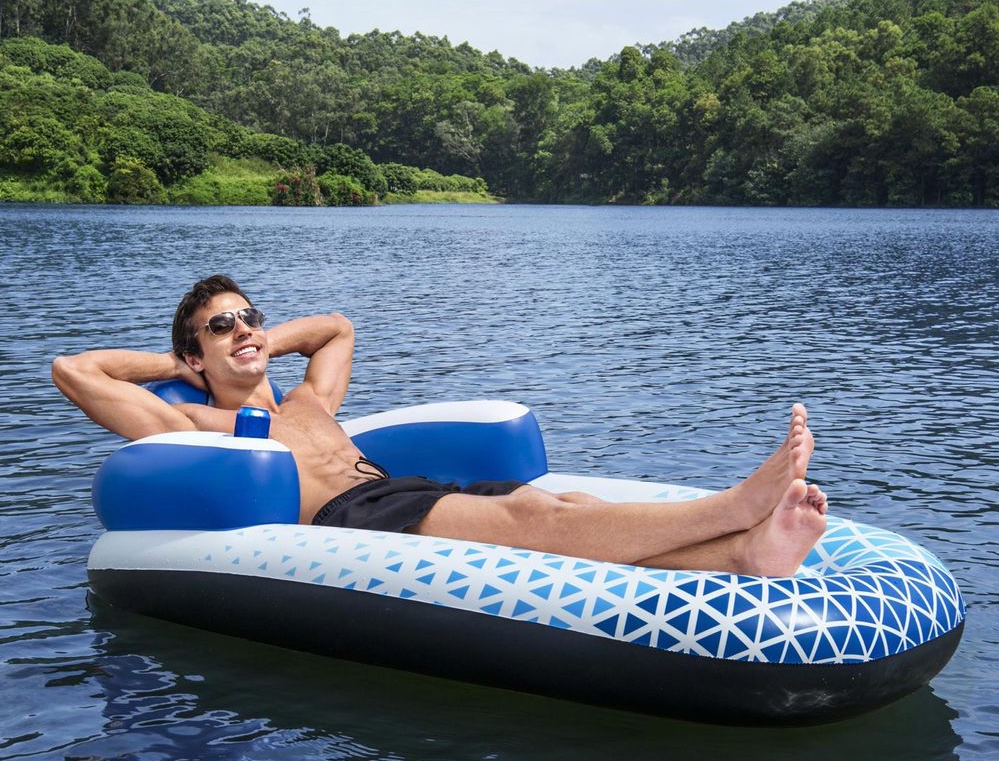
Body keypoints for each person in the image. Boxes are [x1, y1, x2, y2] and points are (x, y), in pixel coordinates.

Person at [52, 274, 828, 576]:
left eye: (249, 315)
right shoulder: (194, 417)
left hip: (403, 492)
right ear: (195, 352)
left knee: (568, 507)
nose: (244, 328)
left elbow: (337, 328)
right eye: (223, 325)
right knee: (532, 519)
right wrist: (182, 363)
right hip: (350, 519)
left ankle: (741, 555)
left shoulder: (309, 402)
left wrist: (257, 341)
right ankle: (737, 506)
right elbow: (75, 371)